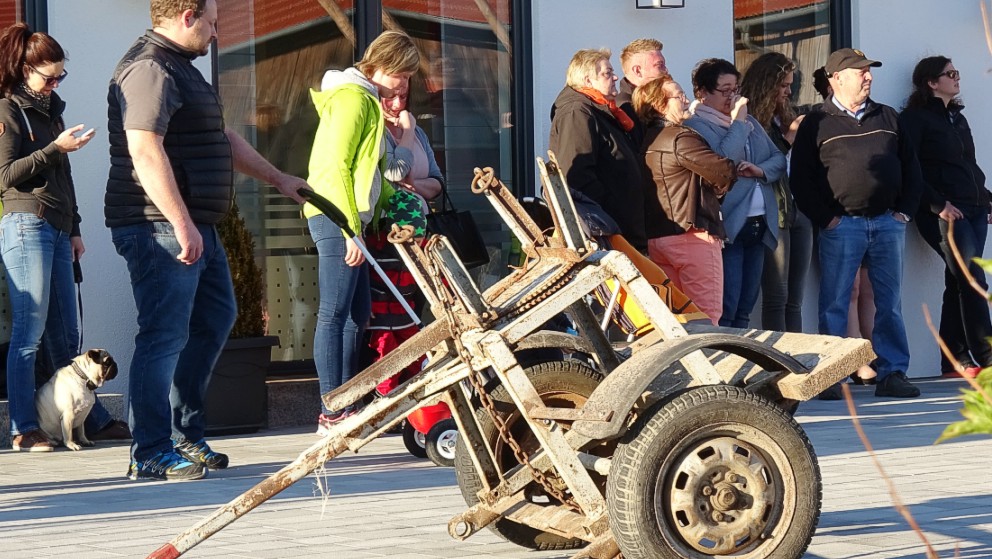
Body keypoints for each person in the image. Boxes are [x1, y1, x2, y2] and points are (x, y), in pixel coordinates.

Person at [106, 0, 307, 480]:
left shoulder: (181, 68)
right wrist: (180, 223)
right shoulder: (150, 69)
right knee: (163, 335)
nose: (216, 34)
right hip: (160, 226)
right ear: (187, 16)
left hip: (197, 224)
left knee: (216, 319)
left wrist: (279, 178)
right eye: (213, 23)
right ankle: (150, 450)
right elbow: (144, 149)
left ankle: (184, 433)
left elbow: (222, 138)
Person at [0, 23, 128, 451]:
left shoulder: (50, 110)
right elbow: (4, 176)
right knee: (29, 335)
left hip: (56, 228)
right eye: (49, 77)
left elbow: (64, 177)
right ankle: (23, 428)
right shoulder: (8, 110)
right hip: (25, 224)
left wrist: (74, 229)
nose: (55, 84)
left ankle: (92, 418)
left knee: (66, 337)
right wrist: (55, 148)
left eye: (60, 76)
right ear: (25, 70)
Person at [304, 31, 422, 435]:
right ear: (380, 66)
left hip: (350, 219)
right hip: (335, 218)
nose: (403, 86)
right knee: (334, 313)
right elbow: (337, 166)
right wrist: (350, 229)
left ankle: (348, 400)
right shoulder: (353, 99)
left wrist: (396, 204)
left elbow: (372, 172)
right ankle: (331, 409)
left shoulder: (366, 100)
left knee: (358, 315)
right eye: (401, 75)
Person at [790, 48, 924, 398]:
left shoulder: (888, 117)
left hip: (887, 223)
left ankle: (892, 373)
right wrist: (827, 219)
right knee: (834, 301)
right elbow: (801, 179)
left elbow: (913, 169)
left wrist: (904, 213)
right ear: (836, 78)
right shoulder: (816, 123)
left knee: (888, 303)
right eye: (860, 72)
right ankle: (832, 376)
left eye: (869, 71)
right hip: (842, 226)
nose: (868, 77)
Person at [901, 55, 992, 379]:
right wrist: (937, 204)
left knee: (958, 281)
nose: (957, 78)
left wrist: (986, 198)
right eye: (950, 73)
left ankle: (954, 359)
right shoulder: (914, 119)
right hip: (945, 212)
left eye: (956, 72)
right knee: (972, 278)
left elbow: (968, 166)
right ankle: (987, 357)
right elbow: (909, 168)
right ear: (931, 82)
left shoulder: (957, 118)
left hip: (974, 208)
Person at [685, 58, 786, 328]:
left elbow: (778, 158)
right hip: (729, 225)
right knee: (727, 305)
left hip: (758, 224)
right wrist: (738, 122)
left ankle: (743, 352)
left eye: (736, 89)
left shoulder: (750, 122)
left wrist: (759, 170)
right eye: (725, 90)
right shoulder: (697, 126)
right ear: (702, 92)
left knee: (746, 305)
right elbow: (723, 160)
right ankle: (727, 353)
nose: (733, 97)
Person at [633, 75, 738, 324]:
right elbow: (724, 171)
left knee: (676, 320)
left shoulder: (648, 139)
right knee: (706, 317)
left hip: (659, 239)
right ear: (660, 105)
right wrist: (718, 190)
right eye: (679, 96)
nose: (686, 100)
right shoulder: (680, 137)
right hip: (692, 237)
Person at [367, 59, 442, 397]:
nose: (398, 104)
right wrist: (407, 133)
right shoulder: (376, 130)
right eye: (391, 96)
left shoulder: (419, 133)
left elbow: (436, 183)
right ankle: (387, 390)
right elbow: (395, 174)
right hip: (386, 239)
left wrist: (414, 186)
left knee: (414, 315)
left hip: (420, 239)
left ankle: (415, 389)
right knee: (387, 321)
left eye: (404, 95)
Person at [740, 53, 812, 333]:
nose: (788, 92)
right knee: (776, 295)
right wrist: (789, 138)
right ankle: (779, 356)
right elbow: (764, 164)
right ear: (766, 85)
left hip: (798, 209)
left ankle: (798, 354)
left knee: (795, 299)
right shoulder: (750, 121)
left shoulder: (785, 116)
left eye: (790, 85)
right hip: (774, 212)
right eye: (783, 85)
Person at [549, 48, 646, 250]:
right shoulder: (577, 112)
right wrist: (609, 213)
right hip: (606, 233)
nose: (615, 77)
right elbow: (576, 176)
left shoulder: (600, 111)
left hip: (618, 228)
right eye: (607, 73)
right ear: (588, 81)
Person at [616, 38, 667, 147]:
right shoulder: (626, 108)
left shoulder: (650, 102)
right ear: (637, 71)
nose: (666, 70)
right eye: (659, 65)